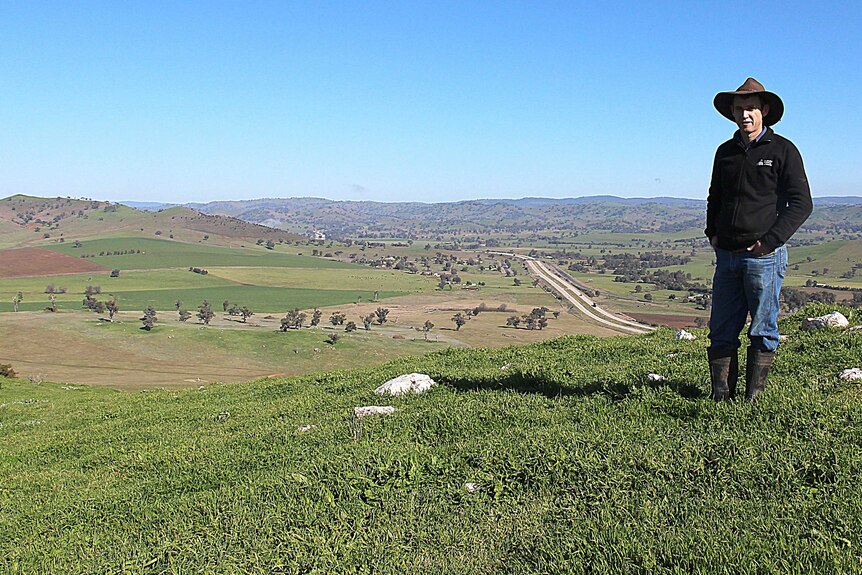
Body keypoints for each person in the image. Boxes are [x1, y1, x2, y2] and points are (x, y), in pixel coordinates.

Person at [705, 77, 813, 401]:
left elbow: (802, 204)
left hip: (763, 257)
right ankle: (721, 399)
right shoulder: (725, 152)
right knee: (721, 330)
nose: (745, 115)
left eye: (751, 108)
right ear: (733, 113)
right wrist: (712, 233)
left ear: (764, 110)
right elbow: (715, 196)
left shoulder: (783, 151)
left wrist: (769, 242)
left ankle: (753, 402)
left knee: (762, 330)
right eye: (740, 108)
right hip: (727, 255)